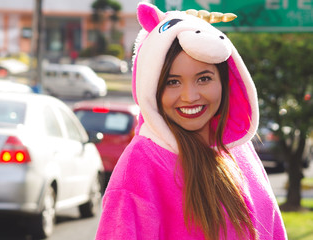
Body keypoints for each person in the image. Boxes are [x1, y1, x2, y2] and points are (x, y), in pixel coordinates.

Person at [95, 2, 287, 240]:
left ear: (225, 81)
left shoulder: (237, 148)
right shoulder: (141, 165)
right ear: (152, 88)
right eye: (172, 82)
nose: (190, 96)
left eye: (204, 78)